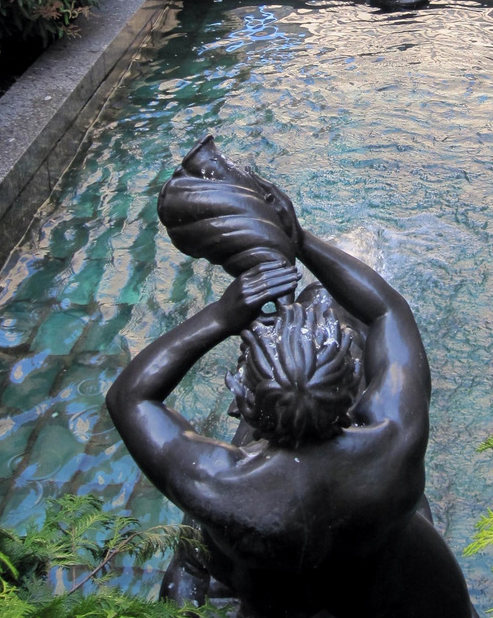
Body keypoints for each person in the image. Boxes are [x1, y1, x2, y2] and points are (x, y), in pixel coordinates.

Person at [106, 147, 474, 618]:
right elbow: (387, 311)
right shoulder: (394, 446)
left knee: (194, 557)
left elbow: (129, 397)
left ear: (240, 394)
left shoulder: (218, 484)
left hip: (278, 603)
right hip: (406, 595)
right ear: (354, 387)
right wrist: (301, 239)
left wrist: (221, 315)